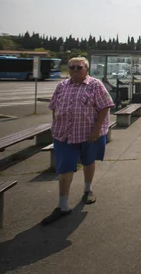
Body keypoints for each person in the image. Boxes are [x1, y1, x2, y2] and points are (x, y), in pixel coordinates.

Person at [41, 57, 115, 225]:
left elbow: (105, 107)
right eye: (72, 67)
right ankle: (63, 205)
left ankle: (88, 189)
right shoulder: (61, 86)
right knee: (65, 166)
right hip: (64, 135)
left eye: (79, 67)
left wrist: (97, 130)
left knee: (88, 161)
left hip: (88, 134)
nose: (75, 70)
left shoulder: (95, 85)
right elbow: (54, 107)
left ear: (86, 69)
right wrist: (55, 125)